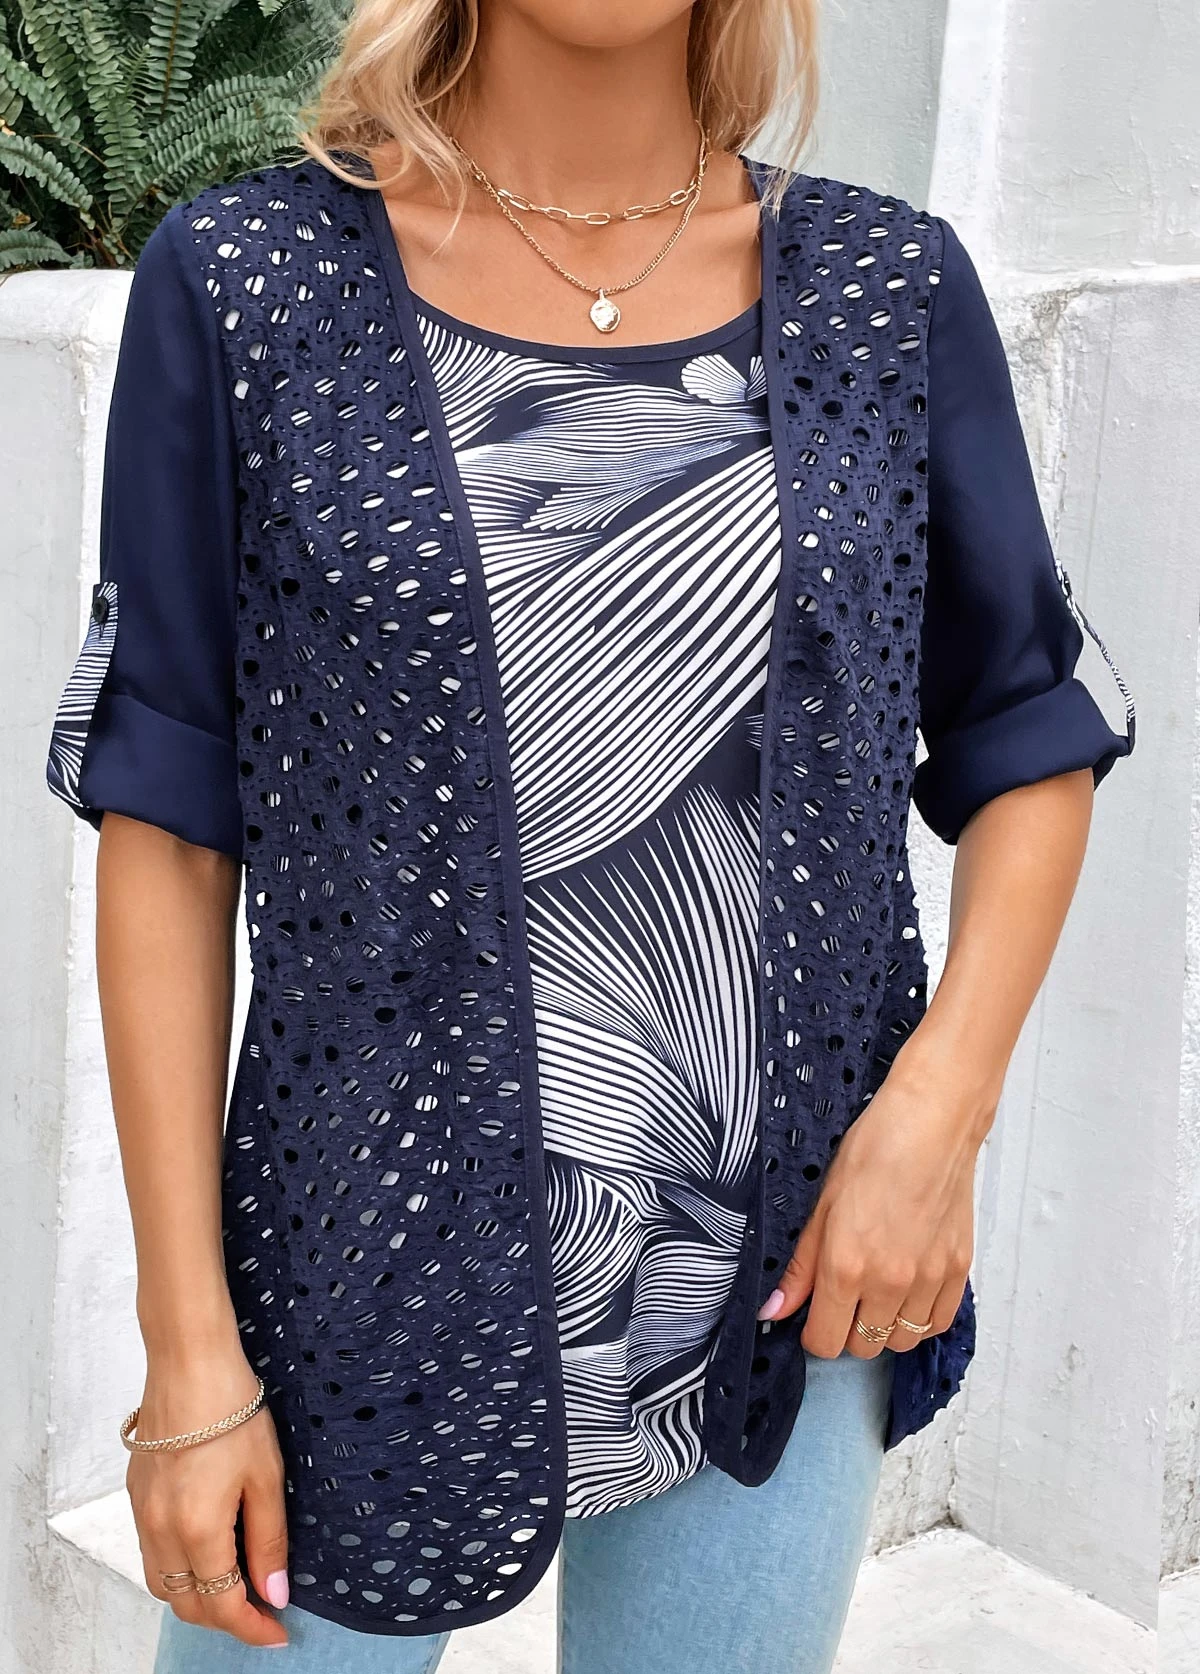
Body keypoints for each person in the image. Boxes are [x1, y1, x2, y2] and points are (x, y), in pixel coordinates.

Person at [43, 3, 1135, 1671]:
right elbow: (172, 830)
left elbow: (1027, 731)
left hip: (787, 1277)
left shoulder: (887, 293)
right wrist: (189, 1354)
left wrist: (938, 1112)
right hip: (356, 1272)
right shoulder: (250, 284)